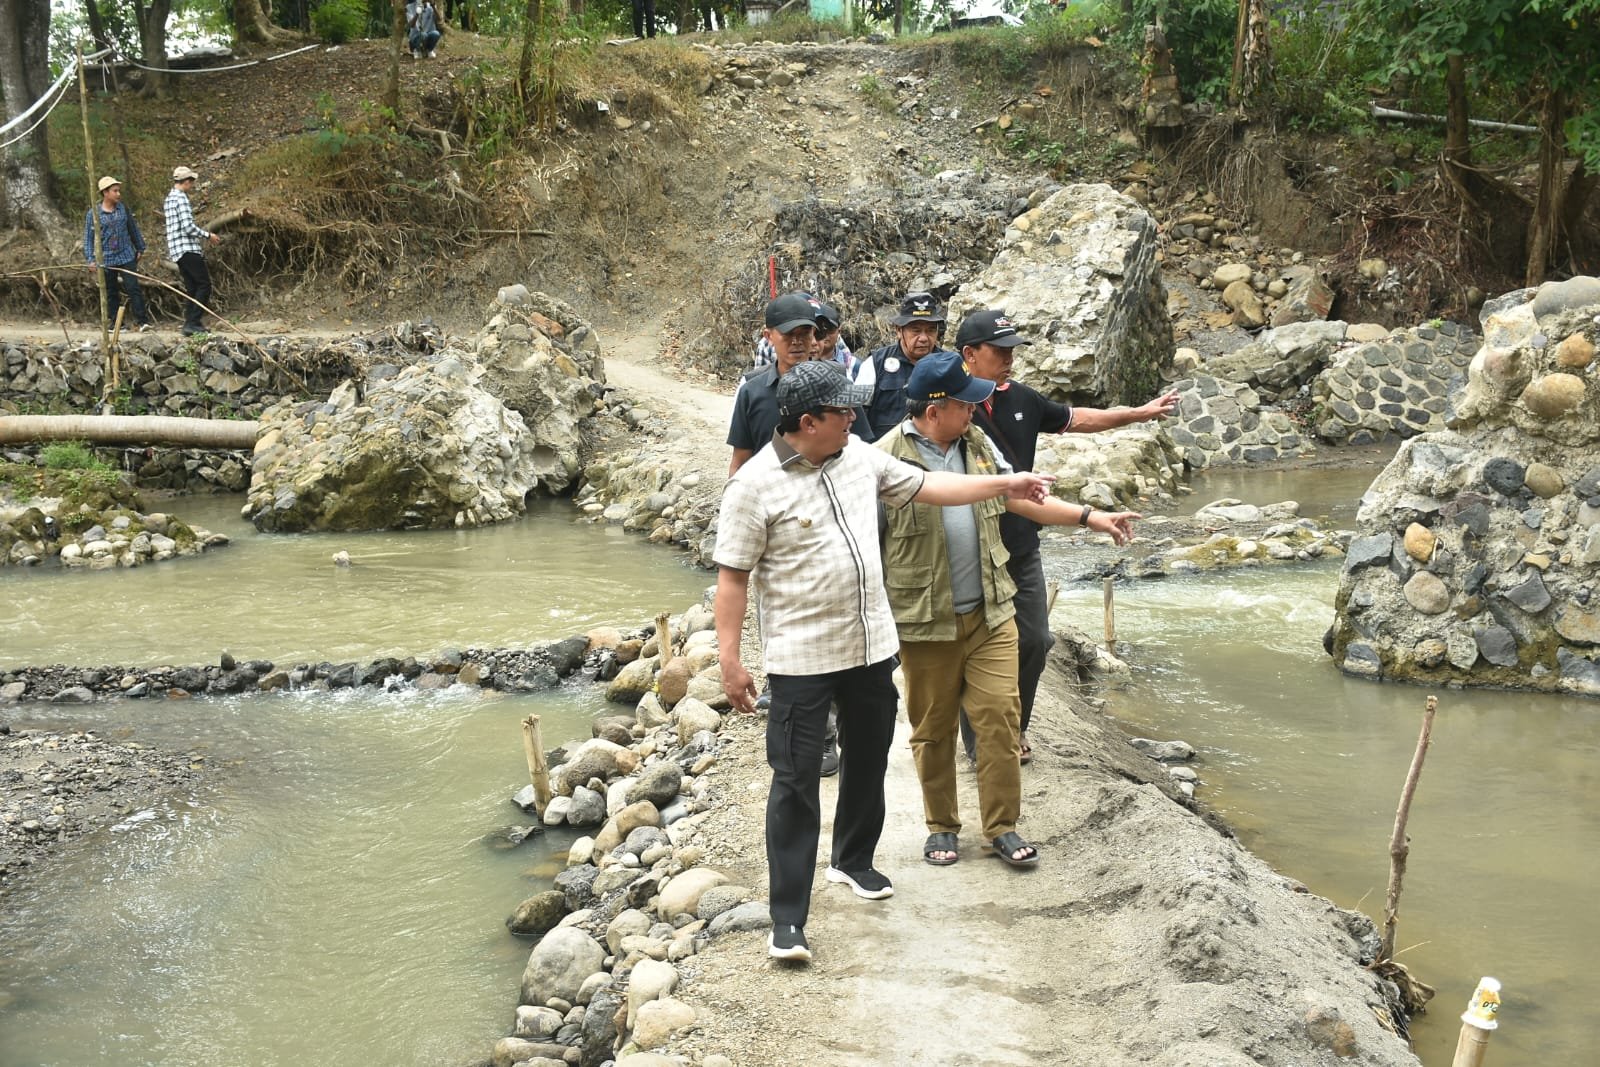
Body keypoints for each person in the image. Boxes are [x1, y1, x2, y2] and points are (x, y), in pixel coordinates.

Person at [715, 359, 1052, 963]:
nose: (855, 418)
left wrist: (1005, 486)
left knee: (868, 761)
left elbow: (931, 487)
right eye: (843, 411)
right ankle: (787, 919)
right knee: (795, 784)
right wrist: (731, 659)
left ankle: (853, 861)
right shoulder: (753, 486)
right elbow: (733, 578)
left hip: (870, 648)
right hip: (802, 658)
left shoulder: (859, 458)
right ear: (808, 421)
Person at [876, 351, 1138, 869]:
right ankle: (942, 826)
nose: (974, 410)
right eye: (964, 404)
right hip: (925, 621)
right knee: (933, 730)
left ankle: (1002, 827)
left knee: (1000, 718)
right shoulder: (885, 458)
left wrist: (1090, 517)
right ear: (934, 410)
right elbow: (866, 540)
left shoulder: (976, 441)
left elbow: (1018, 497)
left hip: (991, 612)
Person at [956, 309, 1178, 765]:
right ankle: (980, 742)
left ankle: (1015, 727)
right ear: (969, 354)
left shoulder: (1022, 398)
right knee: (976, 646)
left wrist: (1137, 414)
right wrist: (1087, 517)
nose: (1008, 359)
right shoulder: (953, 407)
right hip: (969, 547)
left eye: (1012, 351)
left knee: (1035, 640)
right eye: (999, 351)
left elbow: (1079, 419)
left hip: (1020, 543)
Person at [729, 292, 868, 778]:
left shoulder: (838, 389)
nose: (801, 342)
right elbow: (740, 461)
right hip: (777, 527)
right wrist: (735, 520)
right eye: (790, 335)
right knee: (784, 620)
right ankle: (813, 724)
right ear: (769, 337)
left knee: (836, 621)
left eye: (809, 333)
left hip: (832, 523)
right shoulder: (753, 393)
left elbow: (864, 454)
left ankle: (840, 725)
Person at [851, 291, 956, 440]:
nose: (924, 338)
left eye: (931, 330)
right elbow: (856, 415)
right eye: (916, 330)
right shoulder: (875, 364)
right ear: (899, 331)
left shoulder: (950, 364)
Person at [82, 176, 152, 332]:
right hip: (106, 258)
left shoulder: (123, 209)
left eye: (118, 191)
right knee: (111, 291)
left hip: (126, 255)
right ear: (105, 193)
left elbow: (133, 229)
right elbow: (88, 238)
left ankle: (142, 322)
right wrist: (90, 259)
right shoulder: (94, 214)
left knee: (133, 287)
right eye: (115, 191)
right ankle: (116, 324)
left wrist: (140, 248)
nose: (118, 194)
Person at [163, 166, 221, 337]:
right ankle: (193, 322)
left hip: (176, 250)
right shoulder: (181, 198)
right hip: (187, 248)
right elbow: (188, 227)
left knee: (192, 287)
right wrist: (208, 235)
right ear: (186, 181)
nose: (192, 185)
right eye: (192, 182)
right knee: (204, 285)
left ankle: (190, 323)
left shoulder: (169, 198)